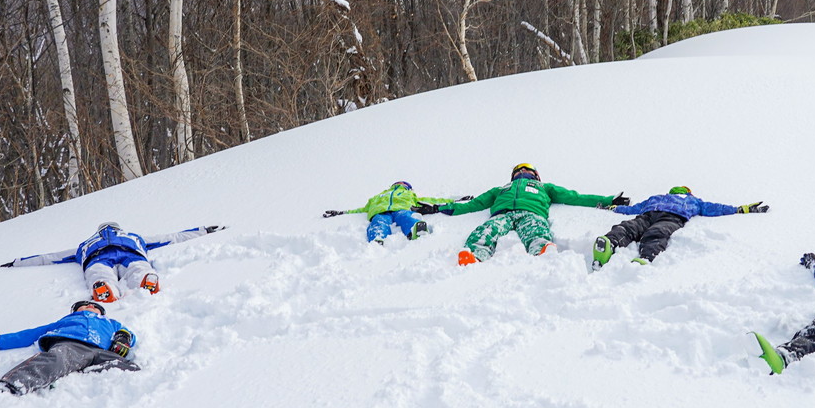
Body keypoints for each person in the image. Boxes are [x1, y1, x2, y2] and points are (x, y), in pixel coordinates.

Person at [417, 163, 625, 265]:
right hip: (503, 214)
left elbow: (574, 197)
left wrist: (607, 201)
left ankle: (542, 248)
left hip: (531, 213)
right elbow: (475, 204)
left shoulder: (545, 187)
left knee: (535, 230)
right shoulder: (501, 189)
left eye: (526, 170)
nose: (522, 173)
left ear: (536, 175)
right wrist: (439, 208)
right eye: (518, 171)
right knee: (487, 230)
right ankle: (475, 254)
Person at [1, 222, 224, 302]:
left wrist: (202, 230)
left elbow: (50, 258)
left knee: (113, 270)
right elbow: (170, 237)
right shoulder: (131, 237)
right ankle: (121, 284)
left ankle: (132, 283)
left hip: (106, 257)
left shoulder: (88, 243)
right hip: (121, 255)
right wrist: (18, 262)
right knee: (125, 268)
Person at [0, 300, 139, 395]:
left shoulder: (112, 323)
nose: (90, 306)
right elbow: (25, 335)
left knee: (127, 367)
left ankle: (83, 373)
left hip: (102, 352)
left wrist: (123, 337)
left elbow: (128, 333)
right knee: (56, 360)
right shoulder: (64, 323)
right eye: (84, 306)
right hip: (71, 346)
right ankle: (12, 385)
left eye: (94, 306)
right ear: (75, 311)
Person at [591, 186, 769, 269]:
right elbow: (715, 208)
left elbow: (632, 209)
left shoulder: (658, 197)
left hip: (651, 214)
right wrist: (741, 209)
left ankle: (613, 242)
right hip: (671, 217)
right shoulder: (693, 200)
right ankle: (645, 256)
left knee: (630, 227)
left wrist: (613, 208)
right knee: (656, 233)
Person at [321, 181, 461, 244]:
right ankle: (377, 237)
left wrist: (455, 200)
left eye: (403, 185)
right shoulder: (378, 196)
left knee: (405, 216)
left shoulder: (409, 195)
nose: (400, 186)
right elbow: (363, 209)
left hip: (401, 209)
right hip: (381, 211)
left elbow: (429, 200)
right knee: (379, 221)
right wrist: (341, 212)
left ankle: (416, 229)